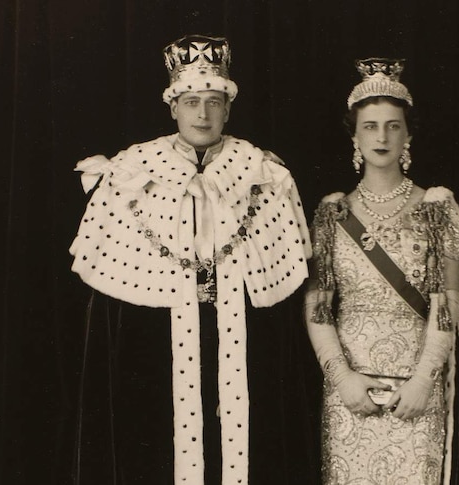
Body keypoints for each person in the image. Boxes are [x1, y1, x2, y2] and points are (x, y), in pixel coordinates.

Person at [69, 35, 314, 485]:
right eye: (191, 101)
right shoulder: (131, 170)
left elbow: (280, 300)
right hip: (155, 348)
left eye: (214, 102)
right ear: (173, 107)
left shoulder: (264, 173)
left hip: (241, 341)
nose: (203, 114)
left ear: (228, 108)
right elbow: (110, 306)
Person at [304, 58, 459, 485]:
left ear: (409, 134)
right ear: (355, 136)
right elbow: (318, 306)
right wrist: (342, 378)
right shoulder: (331, 214)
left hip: (416, 391)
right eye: (370, 126)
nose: (381, 136)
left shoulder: (436, 208)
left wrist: (421, 383)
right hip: (350, 392)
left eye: (393, 125)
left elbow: (446, 306)